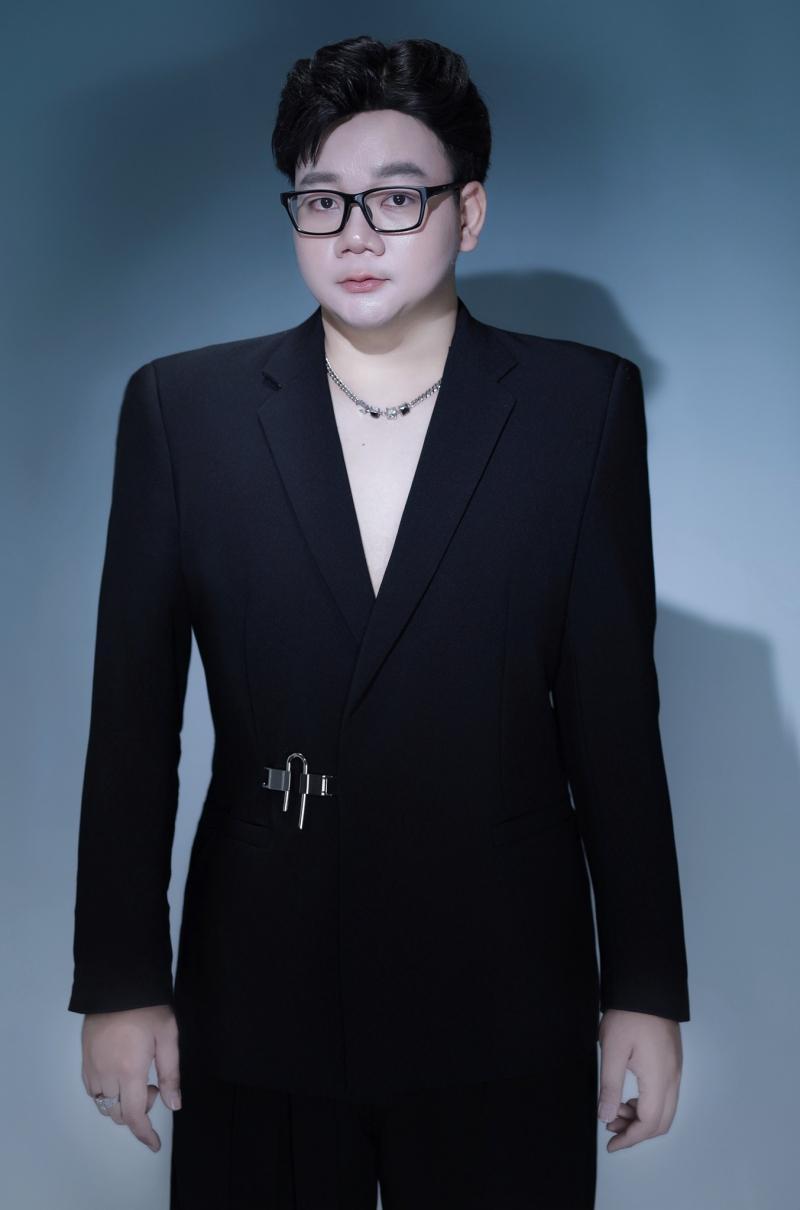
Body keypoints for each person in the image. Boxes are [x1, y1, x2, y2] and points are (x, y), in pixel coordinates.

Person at [68, 34, 690, 1210]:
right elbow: (132, 725)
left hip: (504, 985)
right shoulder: (183, 412)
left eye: (395, 198)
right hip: (259, 984)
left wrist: (643, 989)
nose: (354, 234)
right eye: (321, 200)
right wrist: (119, 981)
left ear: (468, 212)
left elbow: (613, 718)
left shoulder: (577, 407)